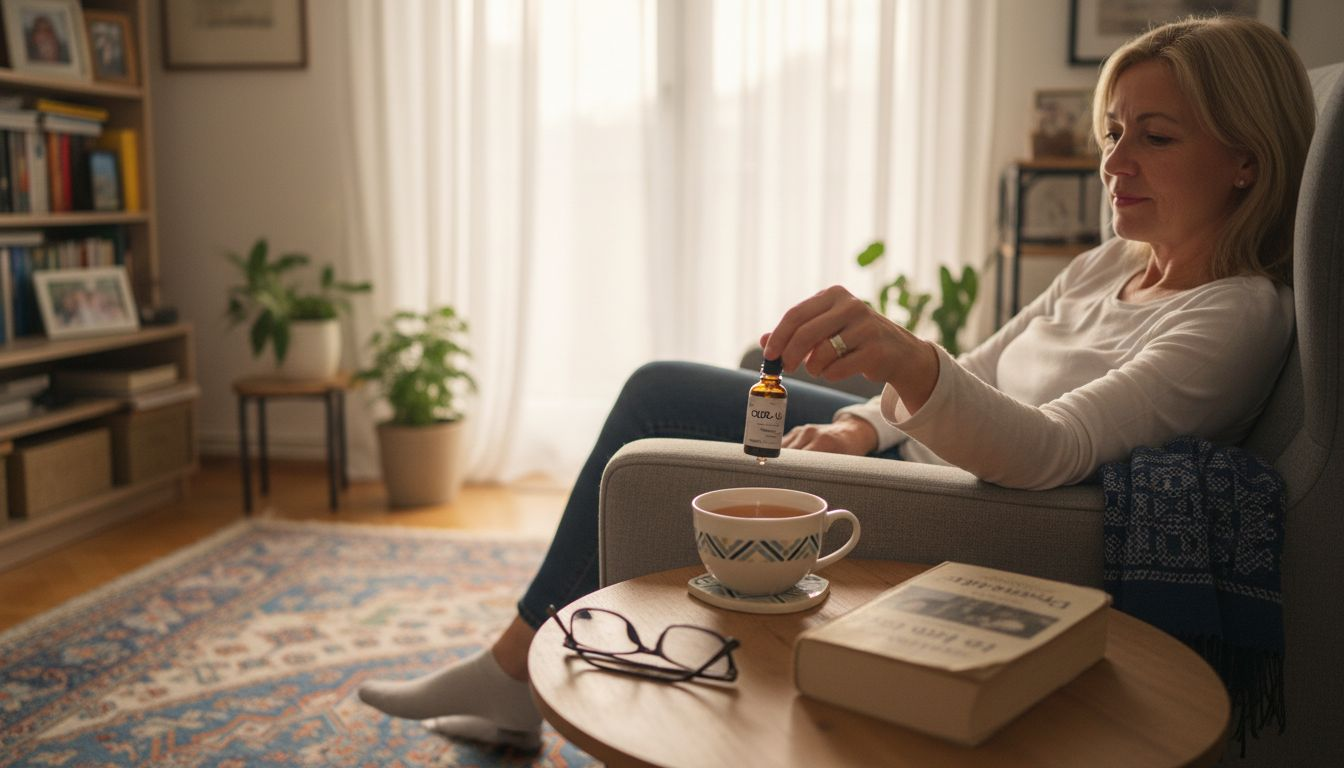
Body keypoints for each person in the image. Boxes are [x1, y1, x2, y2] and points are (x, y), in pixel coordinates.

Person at [358, 15, 1315, 749]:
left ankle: (517, 678)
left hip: (992, 506)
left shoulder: (1234, 312)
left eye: (1154, 136)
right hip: (942, 458)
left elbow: (1053, 449)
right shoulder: (1115, 264)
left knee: (660, 408)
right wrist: (864, 426)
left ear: (1245, 161)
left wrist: (901, 366)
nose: (1115, 161)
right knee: (696, 386)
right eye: (1114, 131)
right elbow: (980, 370)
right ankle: (520, 678)